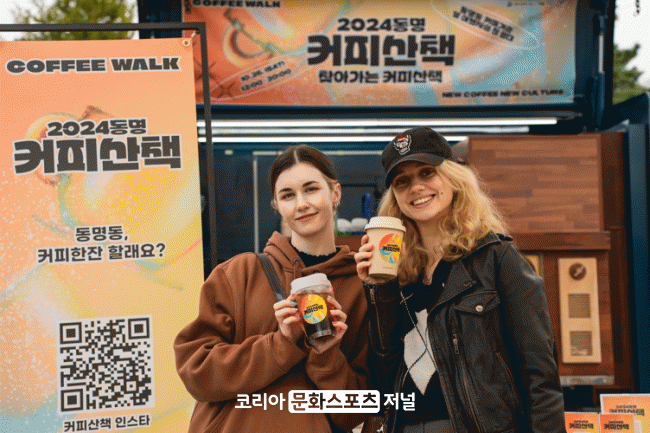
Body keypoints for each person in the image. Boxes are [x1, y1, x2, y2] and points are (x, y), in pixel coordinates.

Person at [354, 127, 565, 433]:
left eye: (427, 172)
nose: (416, 187)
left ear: (453, 178)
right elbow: (384, 381)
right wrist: (379, 289)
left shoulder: (497, 259)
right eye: (402, 181)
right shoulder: (398, 274)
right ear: (395, 197)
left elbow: (540, 376)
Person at [175, 145, 369, 433]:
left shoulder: (360, 288)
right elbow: (197, 373)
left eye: (311, 189)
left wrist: (327, 354)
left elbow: (356, 411)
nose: (301, 204)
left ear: (336, 193)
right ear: (277, 205)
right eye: (288, 195)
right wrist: (280, 344)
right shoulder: (239, 273)